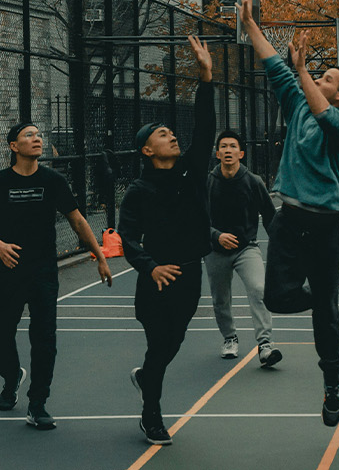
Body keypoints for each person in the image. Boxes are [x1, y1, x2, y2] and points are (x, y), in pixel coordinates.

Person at [242, 0, 339, 428]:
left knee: (327, 311)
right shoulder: (297, 105)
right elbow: (273, 65)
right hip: (289, 220)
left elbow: (317, 103)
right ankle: (319, 298)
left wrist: (303, 71)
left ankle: (332, 384)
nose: (322, 81)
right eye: (322, 76)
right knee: (276, 296)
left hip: (326, 225)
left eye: (331, 78)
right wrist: (251, 23)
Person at [0, 121, 112, 430]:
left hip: (44, 271)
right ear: (14, 146)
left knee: (45, 339)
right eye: (29, 135)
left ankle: (38, 404)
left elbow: (77, 220)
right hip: (9, 269)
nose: (37, 139)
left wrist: (100, 256)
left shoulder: (53, 180)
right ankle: (11, 378)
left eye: (39, 135)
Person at [120, 35, 217, 445]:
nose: (172, 136)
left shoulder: (191, 170)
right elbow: (126, 239)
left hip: (192, 272)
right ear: (147, 148)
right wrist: (150, 266)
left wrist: (206, 77)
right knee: (160, 347)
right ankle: (152, 415)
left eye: (171, 132)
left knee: (171, 344)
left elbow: (206, 126)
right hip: (158, 279)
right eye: (163, 133)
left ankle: (144, 378)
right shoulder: (139, 190)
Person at [206, 129, 282, 367]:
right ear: (217, 153)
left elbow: (270, 218)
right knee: (220, 298)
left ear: (241, 153)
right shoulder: (207, 182)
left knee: (259, 289)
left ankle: (265, 345)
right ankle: (230, 338)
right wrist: (216, 236)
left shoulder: (253, 181)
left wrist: (282, 251)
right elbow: (194, 219)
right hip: (214, 250)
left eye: (232, 147)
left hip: (246, 248)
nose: (228, 150)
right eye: (223, 147)